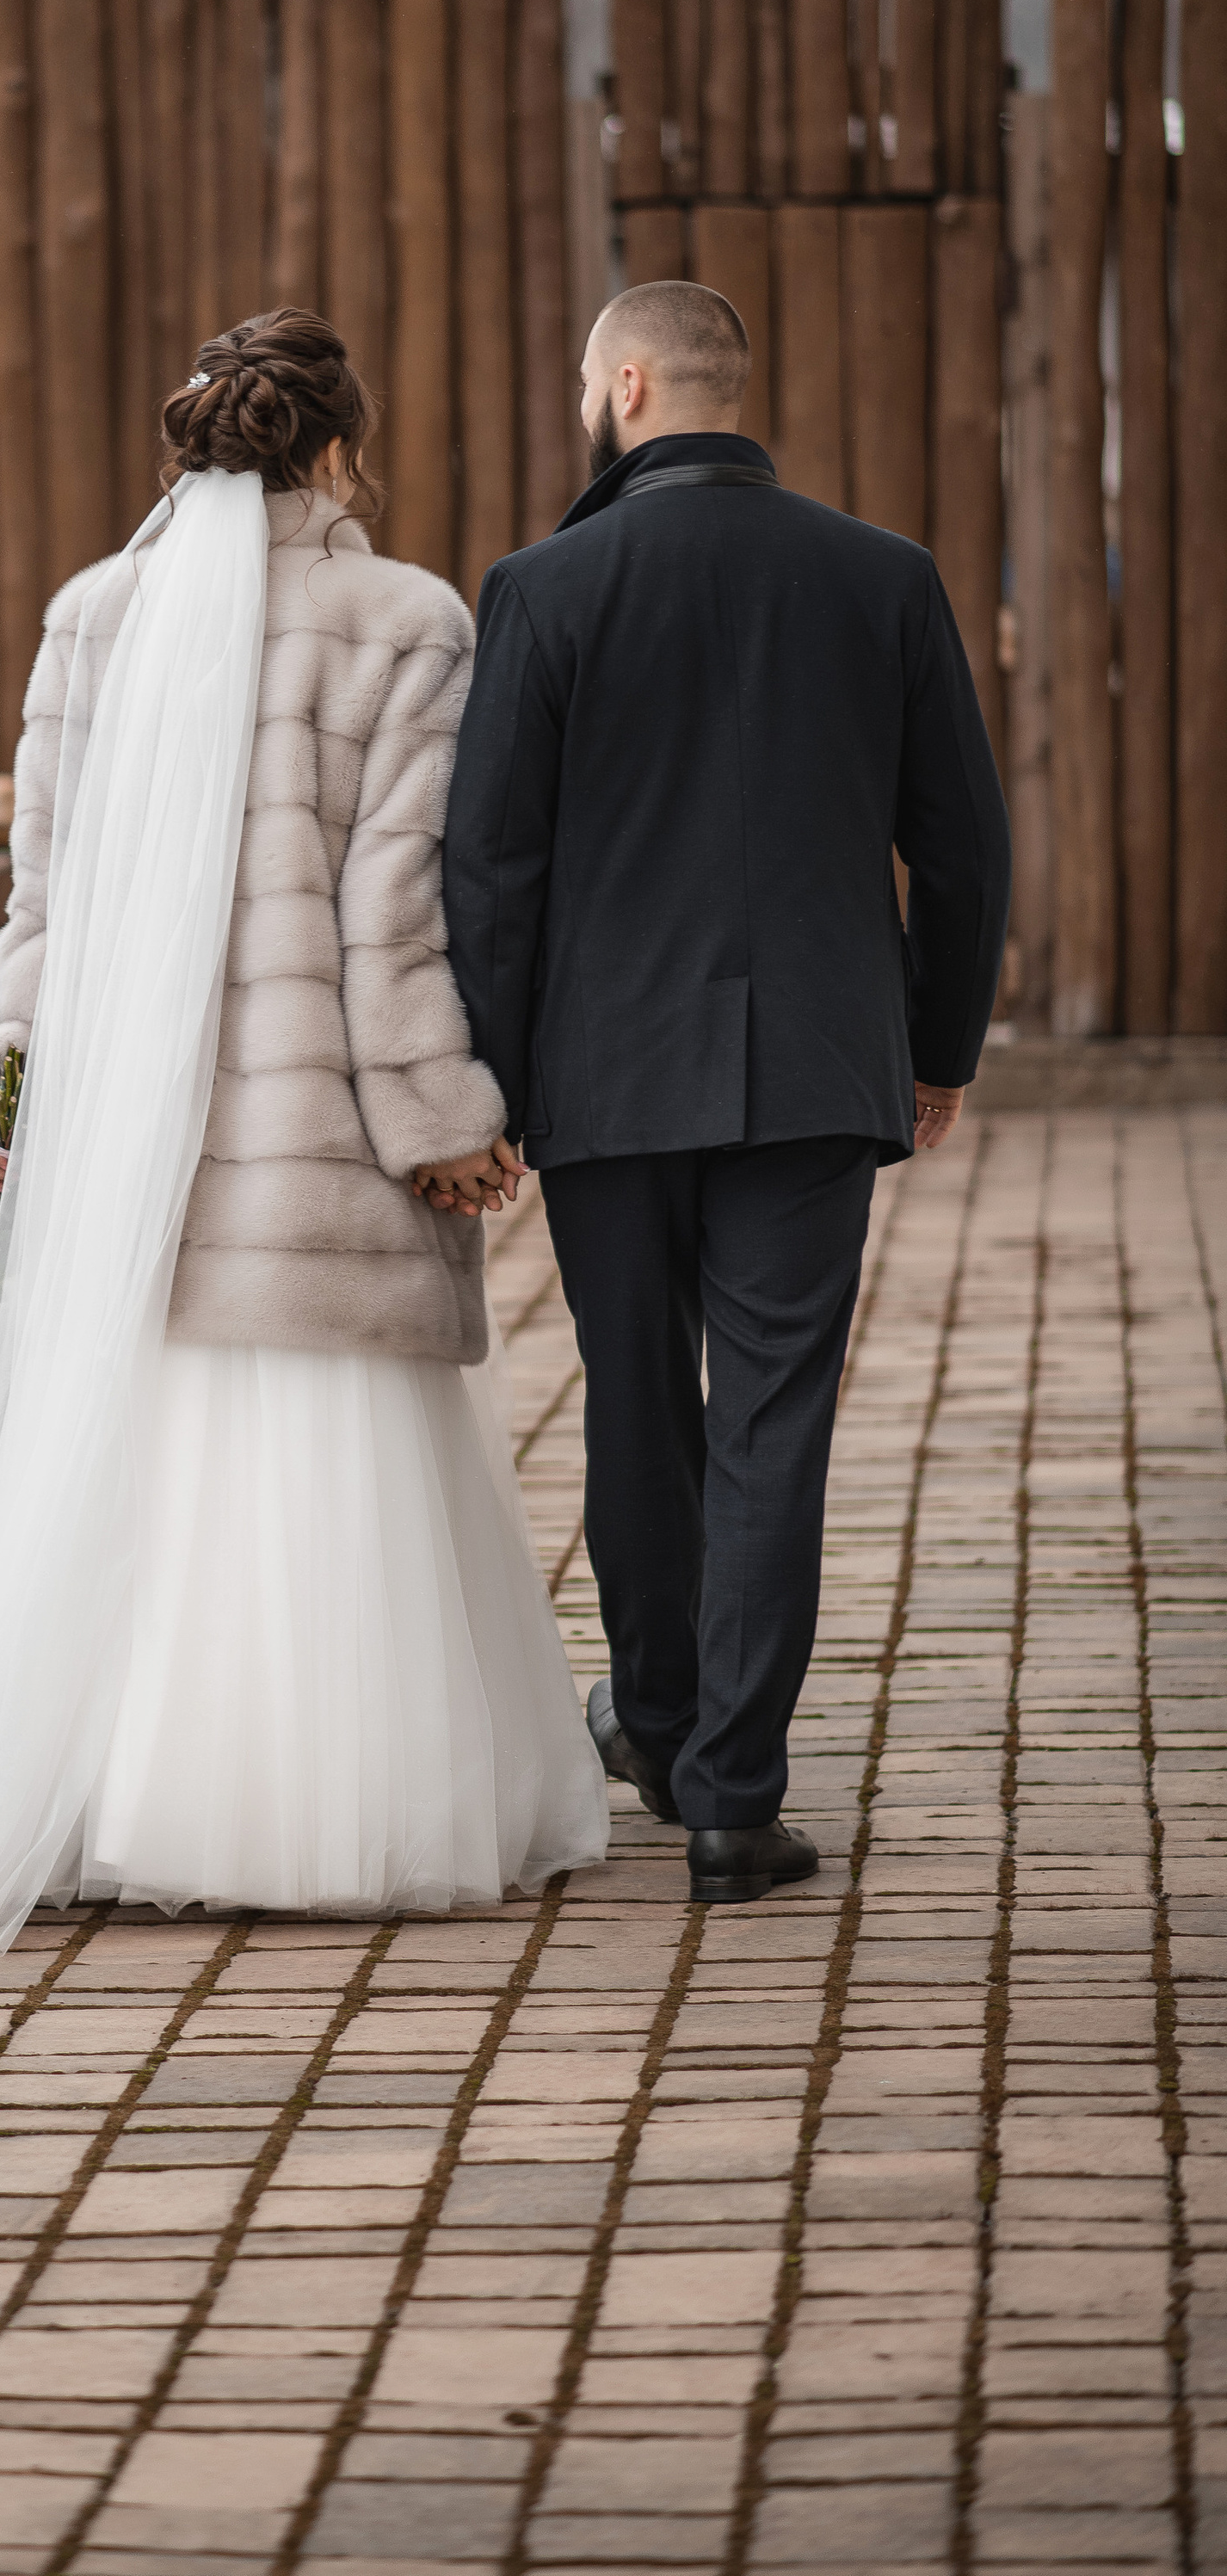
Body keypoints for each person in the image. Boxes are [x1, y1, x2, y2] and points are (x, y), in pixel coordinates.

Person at [0, 309, 607, 1963]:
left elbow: (41, 903)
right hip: (316, 1152)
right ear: (341, 450)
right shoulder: (407, 623)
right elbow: (393, 915)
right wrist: (441, 1119)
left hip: (138, 1160)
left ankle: (117, 1799)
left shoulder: (91, 618)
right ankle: (337, 1804)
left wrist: (12, 1096)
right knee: (326, 1479)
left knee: (150, 1470)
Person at [429, 280, 1011, 1905]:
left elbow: (491, 866)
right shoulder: (885, 575)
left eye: (585, 380)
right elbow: (963, 845)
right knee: (773, 1424)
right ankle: (737, 1806)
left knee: (636, 1401)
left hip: (604, 1076)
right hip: (821, 1072)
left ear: (626, 385)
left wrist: (491, 1080)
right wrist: (938, 1050)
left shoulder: (542, 586)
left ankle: (666, 1727)